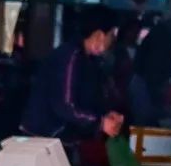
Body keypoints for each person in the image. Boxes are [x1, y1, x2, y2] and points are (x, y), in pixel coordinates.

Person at [20, 8, 124, 152]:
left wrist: (105, 115)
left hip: (61, 140)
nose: (113, 40)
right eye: (112, 34)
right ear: (100, 35)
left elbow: (87, 101)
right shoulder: (70, 57)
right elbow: (65, 106)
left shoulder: (89, 60)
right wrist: (100, 123)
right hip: (43, 140)